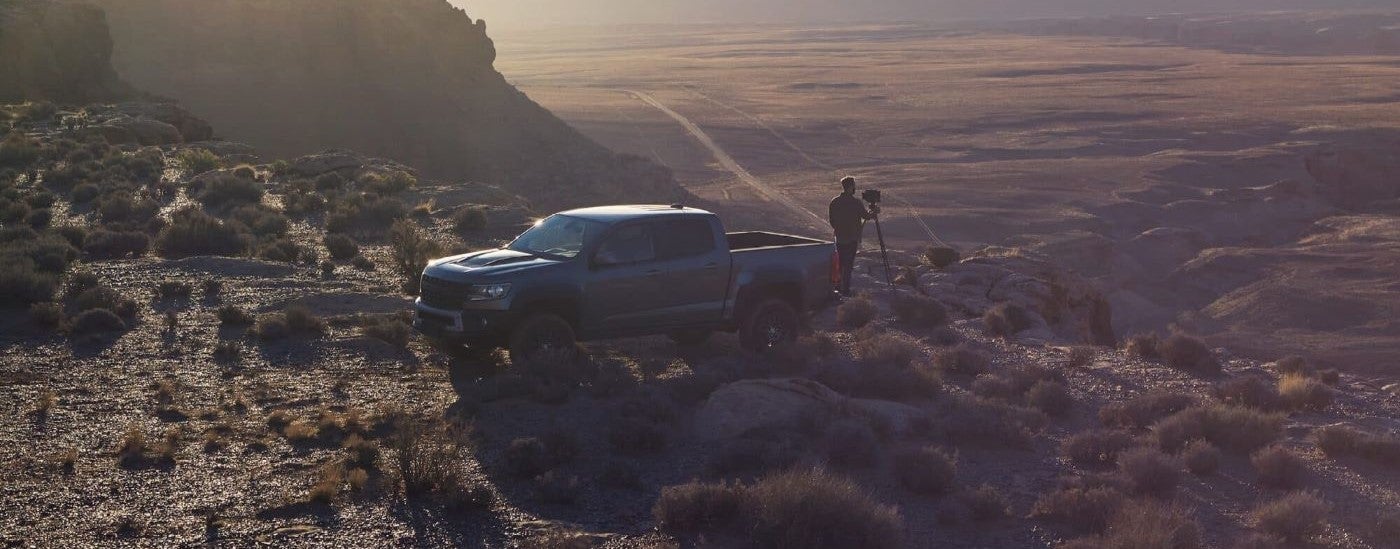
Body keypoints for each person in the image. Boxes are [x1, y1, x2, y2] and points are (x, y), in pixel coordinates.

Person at [828, 176, 879, 296]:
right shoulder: (855, 203)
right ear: (851, 187)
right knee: (848, 265)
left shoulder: (834, 201)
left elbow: (832, 221)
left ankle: (837, 288)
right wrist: (874, 212)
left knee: (840, 265)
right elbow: (866, 216)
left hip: (839, 238)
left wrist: (840, 228)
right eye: (854, 186)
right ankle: (845, 290)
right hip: (852, 239)